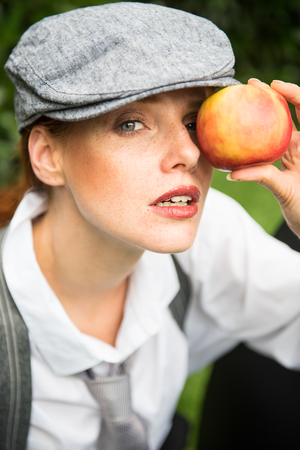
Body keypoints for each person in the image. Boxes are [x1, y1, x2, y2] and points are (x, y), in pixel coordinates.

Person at [1, 2, 300, 449]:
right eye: (131, 123)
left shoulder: (210, 237)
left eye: (194, 121)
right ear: (47, 155)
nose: (190, 152)